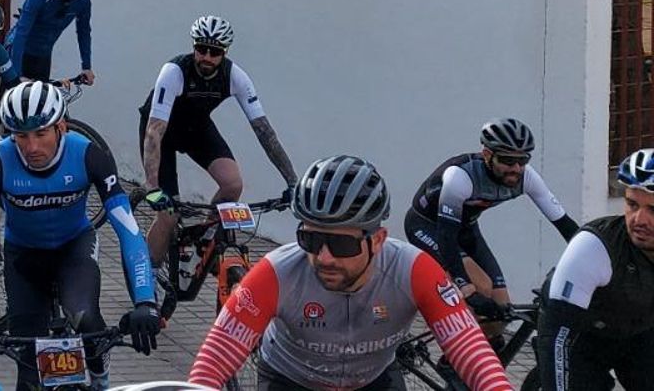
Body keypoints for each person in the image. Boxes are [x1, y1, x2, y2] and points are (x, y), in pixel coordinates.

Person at [188, 155, 510, 391]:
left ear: (378, 240)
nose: (323, 257)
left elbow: (470, 349)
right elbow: (213, 362)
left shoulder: (414, 269)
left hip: (373, 380)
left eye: (341, 244)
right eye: (311, 239)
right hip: (290, 379)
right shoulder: (277, 271)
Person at [0, 81, 159, 390]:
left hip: (73, 248)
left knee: (85, 318)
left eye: (41, 134)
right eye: (21, 136)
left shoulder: (89, 154)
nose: (31, 147)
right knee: (27, 371)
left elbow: (129, 231)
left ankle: (100, 378)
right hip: (23, 257)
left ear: (61, 127)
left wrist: (145, 301)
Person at [139, 15, 300, 264]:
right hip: (163, 133)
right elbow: (154, 132)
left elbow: (265, 133)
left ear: (224, 52)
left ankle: (204, 237)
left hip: (197, 128)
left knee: (232, 184)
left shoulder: (235, 76)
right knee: (168, 214)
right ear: (193, 47)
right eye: (201, 49)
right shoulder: (174, 72)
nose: (207, 57)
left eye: (214, 51)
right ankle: (146, 282)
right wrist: (152, 187)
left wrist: (293, 182)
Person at [405, 118, 577, 329]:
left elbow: (565, 225)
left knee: (501, 310)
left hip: (466, 229)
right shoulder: (460, 176)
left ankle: (488, 349)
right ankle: (452, 357)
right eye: (507, 160)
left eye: (522, 160)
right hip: (428, 226)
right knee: (481, 287)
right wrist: (465, 287)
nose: (515, 168)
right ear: (487, 155)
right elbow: (446, 237)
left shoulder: (527, 178)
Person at [535, 148, 654, 389]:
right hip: (579, 340)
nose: (639, 220)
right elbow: (558, 338)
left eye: (653, 210)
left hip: (638, 333)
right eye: (632, 204)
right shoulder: (594, 246)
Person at [6, 0, 94, 83]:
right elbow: (22, 33)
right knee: (11, 99)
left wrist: (86, 67)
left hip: (43, 56)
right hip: (18, 50)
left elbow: (84, 32)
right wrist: (17, 75)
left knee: (41, 101)